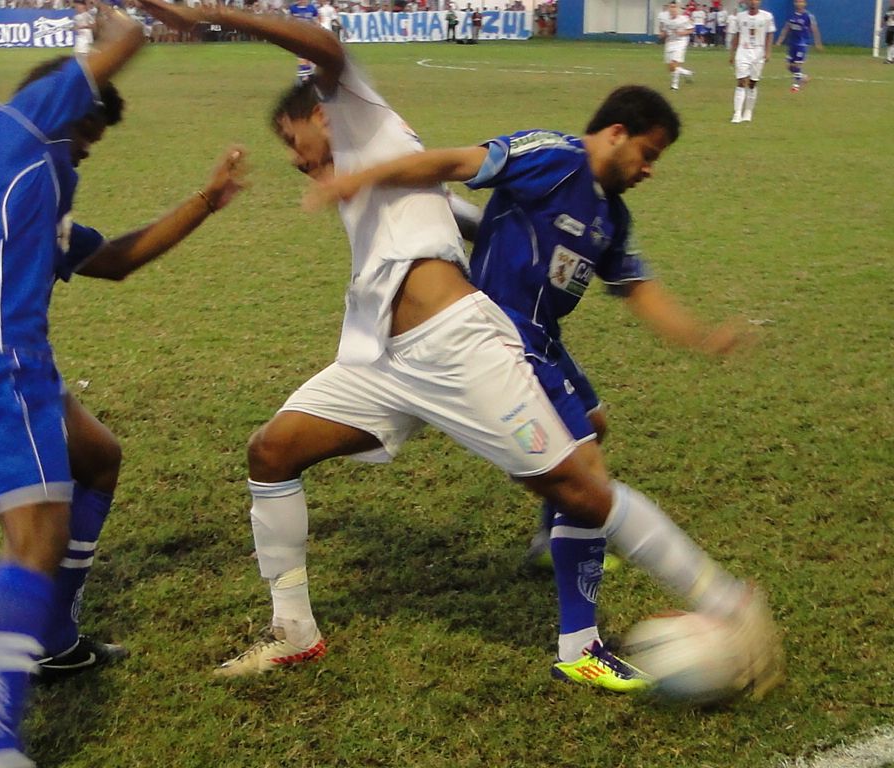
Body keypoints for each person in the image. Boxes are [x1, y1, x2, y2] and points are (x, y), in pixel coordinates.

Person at [137, 0, 783, 697]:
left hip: (457, 346)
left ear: (322, 113)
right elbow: (459, 213)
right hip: (383, 359)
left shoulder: (359, 115)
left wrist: (204, 13)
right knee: (271, 451)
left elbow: (323, 44)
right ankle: (294, 630)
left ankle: (725, 601)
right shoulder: (373, 168)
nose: (295, 160)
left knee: (576, 486)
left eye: (294, 141)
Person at [306, 85, 784, 694]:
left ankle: (550, 538)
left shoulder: (611, 214)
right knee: (586, 476)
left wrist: (701, 337)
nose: (649, 170)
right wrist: (361, 178)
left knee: (594, 425)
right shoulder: (552, 157)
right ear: (615, 133)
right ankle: (581, 644)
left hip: (543, 338)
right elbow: (455, 163)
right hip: (497, 333)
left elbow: (638, 289)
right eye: (648, 152)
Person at [0, 11, 246, 767]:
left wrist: (204, 200)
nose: (84, 155)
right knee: (35, 538)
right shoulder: (18, 127)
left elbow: (116, 260)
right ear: (61, 105)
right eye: (84, 138)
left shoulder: (28, 184)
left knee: (96, 457)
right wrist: (157, 14)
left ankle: (53, 640)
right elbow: (123, 40)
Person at [729, 0, 774, 123]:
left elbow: (770, 34)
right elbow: (736, 36)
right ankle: (737, 113)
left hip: (758, 52)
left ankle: (748, 111)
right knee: (741, 81)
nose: (753, 3)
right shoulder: (740, 17)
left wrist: (768, 52)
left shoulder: (767, 17)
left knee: (752, 83)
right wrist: (732, 54)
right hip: (743, 51)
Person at [775, 0, 822, 92]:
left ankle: (795, 86)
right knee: (789, 66)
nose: (799, 4)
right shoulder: (792, 16)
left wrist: (817, 43)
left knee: (797, 65)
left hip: (802, 44)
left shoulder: (808, 16)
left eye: (801, 2)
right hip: (792, 44)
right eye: (797, 2)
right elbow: (786, 29)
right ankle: (803, 77)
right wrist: (779, 41)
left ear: (805, 4)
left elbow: (814, 30)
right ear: (794, 3)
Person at [660, 1, 694, 91]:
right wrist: (662, 34)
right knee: (671, 67)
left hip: (681, 42)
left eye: (674, 7)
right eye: (671, 7)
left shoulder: (684, 19)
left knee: (674, 62)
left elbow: (691, 29)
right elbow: (663, 30)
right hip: (670, 42)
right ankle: (686, 73)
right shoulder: (665, 19)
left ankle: (674, 86)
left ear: (678, 9)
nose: (672, 9)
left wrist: (683, 33)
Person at [288, 0, 320, 81]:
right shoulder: (293, 8)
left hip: (310, 34)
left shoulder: (312, 8)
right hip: (298, 35)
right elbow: (289, 21)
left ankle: (306, 73)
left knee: (309, 56)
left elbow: (316, 20)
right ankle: (304, 75)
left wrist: (317, 28)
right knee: (302, 55)